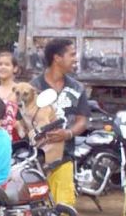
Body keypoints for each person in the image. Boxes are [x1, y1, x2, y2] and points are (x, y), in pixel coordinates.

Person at [30, 38, 90, 206]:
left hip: (64, 160)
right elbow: (25, 120)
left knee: (65, 212)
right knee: (37, 211)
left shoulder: (77, 88)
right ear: (57, 58)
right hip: (37, 162)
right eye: (72, 54)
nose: (75, 59)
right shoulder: (33, 88)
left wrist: (68, 133)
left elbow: (82, 120)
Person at [0, 51, 21, 141]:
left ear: (14, 68)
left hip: (16, 141)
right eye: (0, 64)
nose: (2, 67)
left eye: (7, 64)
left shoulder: (20, 91)